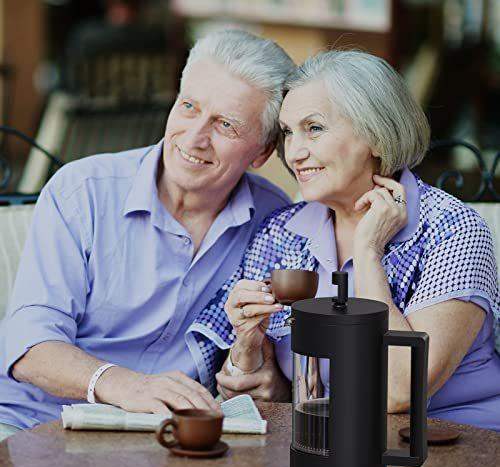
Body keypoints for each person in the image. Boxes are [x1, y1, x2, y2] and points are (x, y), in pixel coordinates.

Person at [0, 29, 295, 440]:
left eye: (225, 125)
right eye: (189, 107)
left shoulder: (277, 222)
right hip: (35, 425)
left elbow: (276, 370)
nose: (195, 137)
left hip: (174, 442)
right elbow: (29, 346)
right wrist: (126, 384)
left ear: (262, 152)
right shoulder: (82, 192)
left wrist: (272, 386)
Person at [189, 50, 500, 431]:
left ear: (377, 136)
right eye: (288, 132)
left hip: (453, 444)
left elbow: (400, 391)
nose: (296, 152)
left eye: (314, 128)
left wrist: (368, 253)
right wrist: (249, 351)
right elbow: (261, 389)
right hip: (330, 443)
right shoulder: (281, 233)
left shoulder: (451, 230)